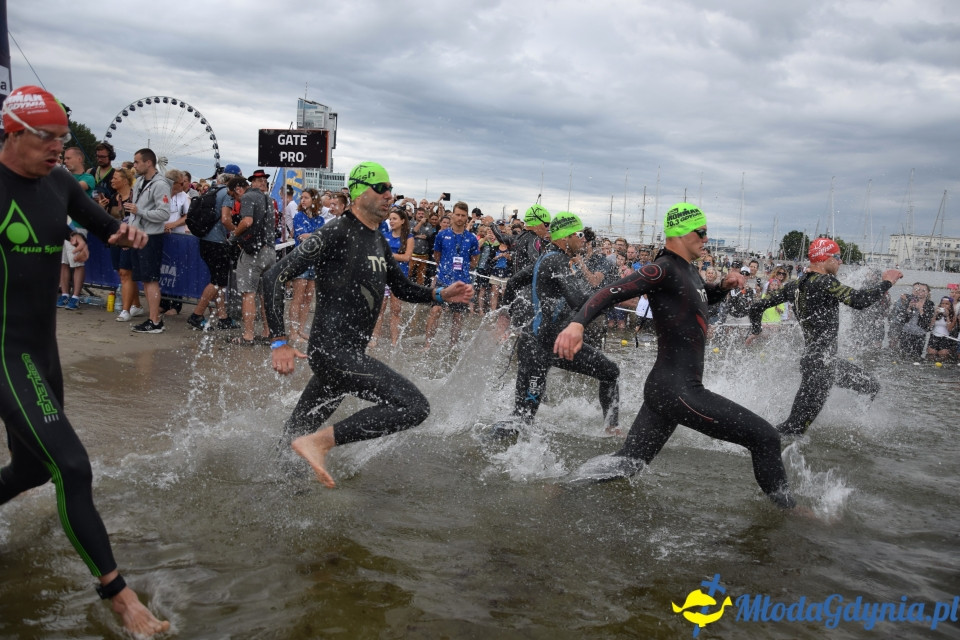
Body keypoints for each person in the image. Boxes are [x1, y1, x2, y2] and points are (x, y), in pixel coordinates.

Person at [0, 85, 169, 635]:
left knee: (31, 467)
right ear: (12, 132)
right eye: (45, 139)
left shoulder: (61, 183)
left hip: (42, 348)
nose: (57, 149)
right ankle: (119, 598)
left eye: (62, 140)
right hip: (3, 352)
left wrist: (122, 234)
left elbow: (104, 225)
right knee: (72, 466)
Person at [554, 203, 795, 508]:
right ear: (681, 232)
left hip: (666, 389)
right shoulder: (663, 268)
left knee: (629, 462)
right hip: (677, 389)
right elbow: (610, 292)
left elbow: (697, 296)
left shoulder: (688, 271)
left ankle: (560, 489)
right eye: (702, 232)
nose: (706, 239)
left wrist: (721, 286)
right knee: (766, 438)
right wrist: (577, 324)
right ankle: (790, 513)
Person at [261, 162, 473, 487]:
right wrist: (280, 340)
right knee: (414, 406)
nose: (389, 195)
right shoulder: (335, 233)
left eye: (391, 189)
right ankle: (320, 444)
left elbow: (402, 288)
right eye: (381, 188)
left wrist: (440, 295)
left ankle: (272, 493)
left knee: (293, 436)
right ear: (359, 191)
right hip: (334, 354)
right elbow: (274, 275)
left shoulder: (377, 240)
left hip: (344, 357)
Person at [748, 237, 903, 436]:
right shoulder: (825, 281)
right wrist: (887, 282)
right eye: (837, 257)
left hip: (823, 362)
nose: (840, 262)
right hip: (820, 367)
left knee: (871, 386)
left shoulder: (795, 285)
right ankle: (755, 440)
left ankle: (858, 427)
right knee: (793, 428)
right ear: (825, 258)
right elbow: (859, 300)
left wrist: (756, 330)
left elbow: (756, 307)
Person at [491, 213, 620, 441]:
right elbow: (578, 300)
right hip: (536, 348)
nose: (584, 240)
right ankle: (481, 442)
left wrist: (507, 316)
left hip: (557, 343)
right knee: (523, 419)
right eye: (579, 235)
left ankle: (612, 429)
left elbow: (513, 282)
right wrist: (616, 293)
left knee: (610, 372)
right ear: (565, 236)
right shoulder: (556, 261)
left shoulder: (550, 259)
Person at [229, 169, 277, 345]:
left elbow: (247, 221)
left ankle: (248, 335)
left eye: (234, 194)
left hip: (254, 253)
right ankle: (267, 332)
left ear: (241, 189)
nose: (236, 198)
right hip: (270, 252)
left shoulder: (249, 197)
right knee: (265, 295)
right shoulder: (269, 200)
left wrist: (234, 235)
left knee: (248, 294)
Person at [127, 147, 171, 333]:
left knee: (151, 279)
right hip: (138, 235)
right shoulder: (138, 182)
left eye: (137, 162)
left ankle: (155, 321)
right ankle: (152, 319)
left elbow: (164, 213)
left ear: (149, 163)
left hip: (151, 237)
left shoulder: (160, 184)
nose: (134, 165)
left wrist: (140, 212)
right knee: (145, 279)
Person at [424, 201, 479, 348]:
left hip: (462, 282)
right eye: (457, 214)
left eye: (463, 215)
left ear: (467, 217)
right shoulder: (442, 235)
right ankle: (428, 344)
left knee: (457, 315)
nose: (460, 218)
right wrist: (445, 268)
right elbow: (437, 256)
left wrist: (463, 268)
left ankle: (452, 345)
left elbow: (474, 261)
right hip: (443, 279)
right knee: (435, 310)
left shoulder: (472, 238)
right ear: (452, 215)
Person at [97, 166, 144, 321]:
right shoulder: (113, 198)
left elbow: (140, 218)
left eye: (115, 178)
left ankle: (125, 309)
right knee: (122, 273)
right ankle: (136, 305)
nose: (112, 180)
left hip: (130, 240)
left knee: (125, 273)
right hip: (116, 239)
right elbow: (108, 220)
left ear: (125, 180)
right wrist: (102, 208)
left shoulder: (135, 197)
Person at [371, 206, 414, 346]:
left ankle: (394, 340)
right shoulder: (385, 236)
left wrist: (389, 255)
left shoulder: (409, 238)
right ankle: (374, 338)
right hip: (383, 276)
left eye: (394, 219)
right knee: (380, 309)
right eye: (390, 219)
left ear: (402, 221)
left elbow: (407, 257)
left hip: (399, 277)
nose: (391, 221)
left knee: (396, 310)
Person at [288, 188, 323, 342]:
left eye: (306, 198)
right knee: (297, 298)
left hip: (315, 262)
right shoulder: (298, 216)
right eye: (302, 197)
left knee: (308, 299)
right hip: (301, 260)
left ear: (314, 200)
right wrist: (315, 236)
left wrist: (314, 236)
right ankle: (293, 331)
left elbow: (320, 239)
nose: (303, 200)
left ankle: (301, 330)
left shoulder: (320, 219)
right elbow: (303, 237)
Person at [927, 296, 957, 361]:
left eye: (947, 304)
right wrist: (935, 314)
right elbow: (930, 326)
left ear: (950, 306)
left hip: (945, 337)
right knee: (931, 354)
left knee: (943, 355)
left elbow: (949, 329)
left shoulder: (953, 315)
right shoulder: (936, 313)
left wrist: (947, 316)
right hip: (934, 336)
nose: (944, 305)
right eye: (942, 303)